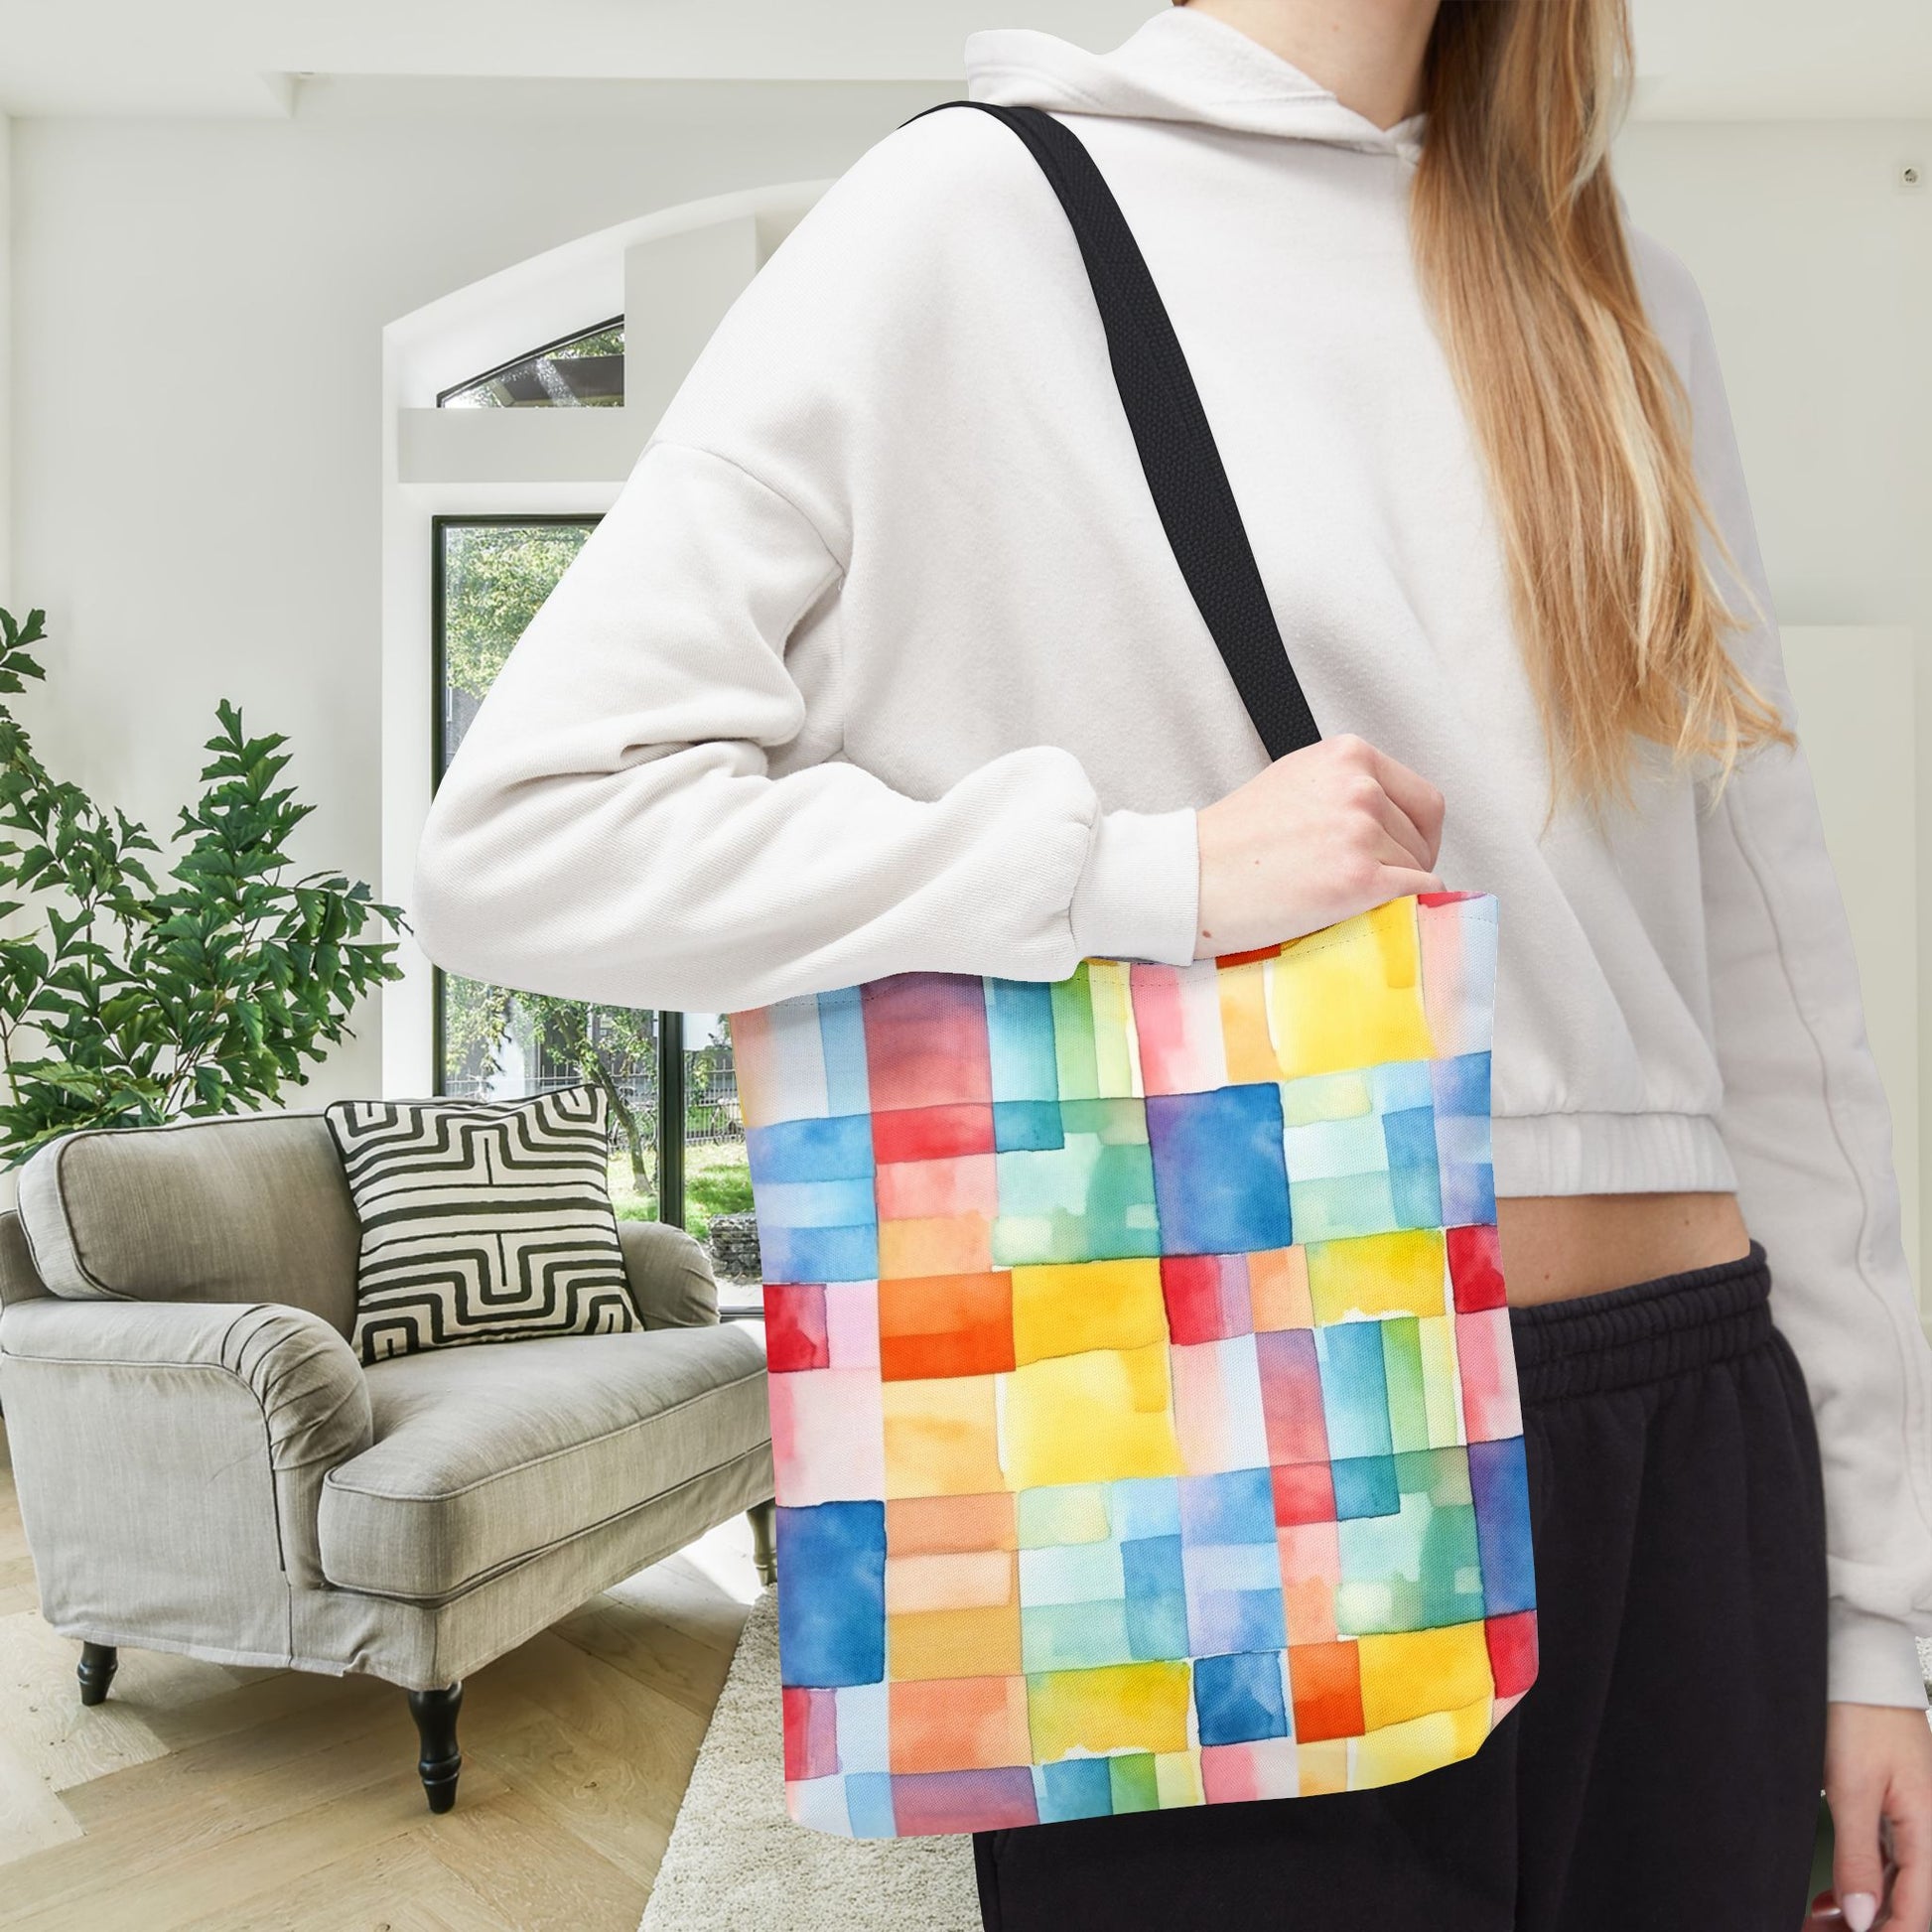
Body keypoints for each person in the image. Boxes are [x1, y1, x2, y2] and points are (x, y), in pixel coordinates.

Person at [408, 2, 1932, 1926]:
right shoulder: (970, 218)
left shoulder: (1613, 287)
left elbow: (1777, 979)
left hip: (1691, 1427)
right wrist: (1143, 871)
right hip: (1205, 1433)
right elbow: (523, 834)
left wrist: (1877, 1615)